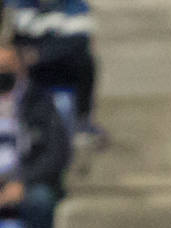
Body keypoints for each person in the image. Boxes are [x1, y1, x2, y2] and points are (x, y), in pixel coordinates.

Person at [0, 40, 71, 228]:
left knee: (40, 200)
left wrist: (22, 181)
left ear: (20, 69)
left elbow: (57, 152)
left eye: (6, 67)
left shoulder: (38, 101)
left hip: (23, 180)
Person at [8, 0, 101, 136]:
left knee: (84, 60)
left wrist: (39, 55)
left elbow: (78, 42)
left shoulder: (74, 6)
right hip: (31, 73)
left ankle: (82, 120)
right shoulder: (23, 6)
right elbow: (18, 39)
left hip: (63, 72)